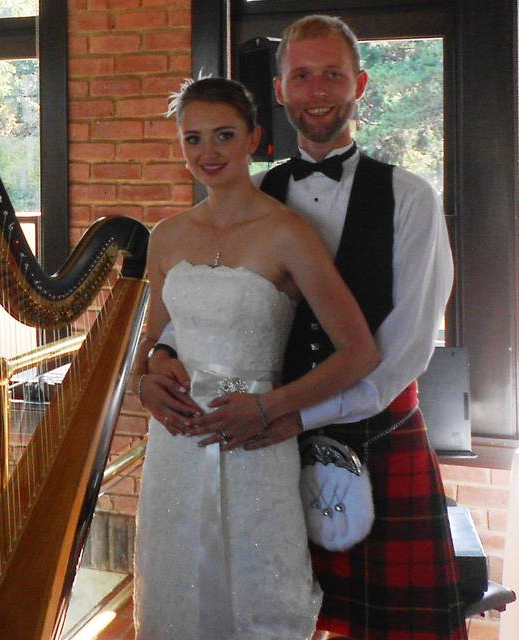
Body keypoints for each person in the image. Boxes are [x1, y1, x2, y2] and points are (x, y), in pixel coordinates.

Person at [139, 15, 465, 640]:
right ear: (281, 91)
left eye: (333, 75)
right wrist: (157, 361)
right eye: (302, 75)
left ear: (360, 84)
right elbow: (201, 309)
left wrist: (293, 414)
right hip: (259, 439)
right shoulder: (249, 192)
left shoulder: (410, 197)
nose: (318, 90)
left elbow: (405, 345)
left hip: (370, 432)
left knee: (390, 627)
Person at [132, 75, 380, 639]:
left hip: (254, 442)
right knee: (175, 593)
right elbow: (148, 344)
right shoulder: (166, 237)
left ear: (253, 139)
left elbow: (359, 352)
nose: (207, 152)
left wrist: (269, 408)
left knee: (258, 592)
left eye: (223, 135)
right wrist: (146, 379)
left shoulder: (288, 233)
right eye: (192, 139)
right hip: (176, 447)